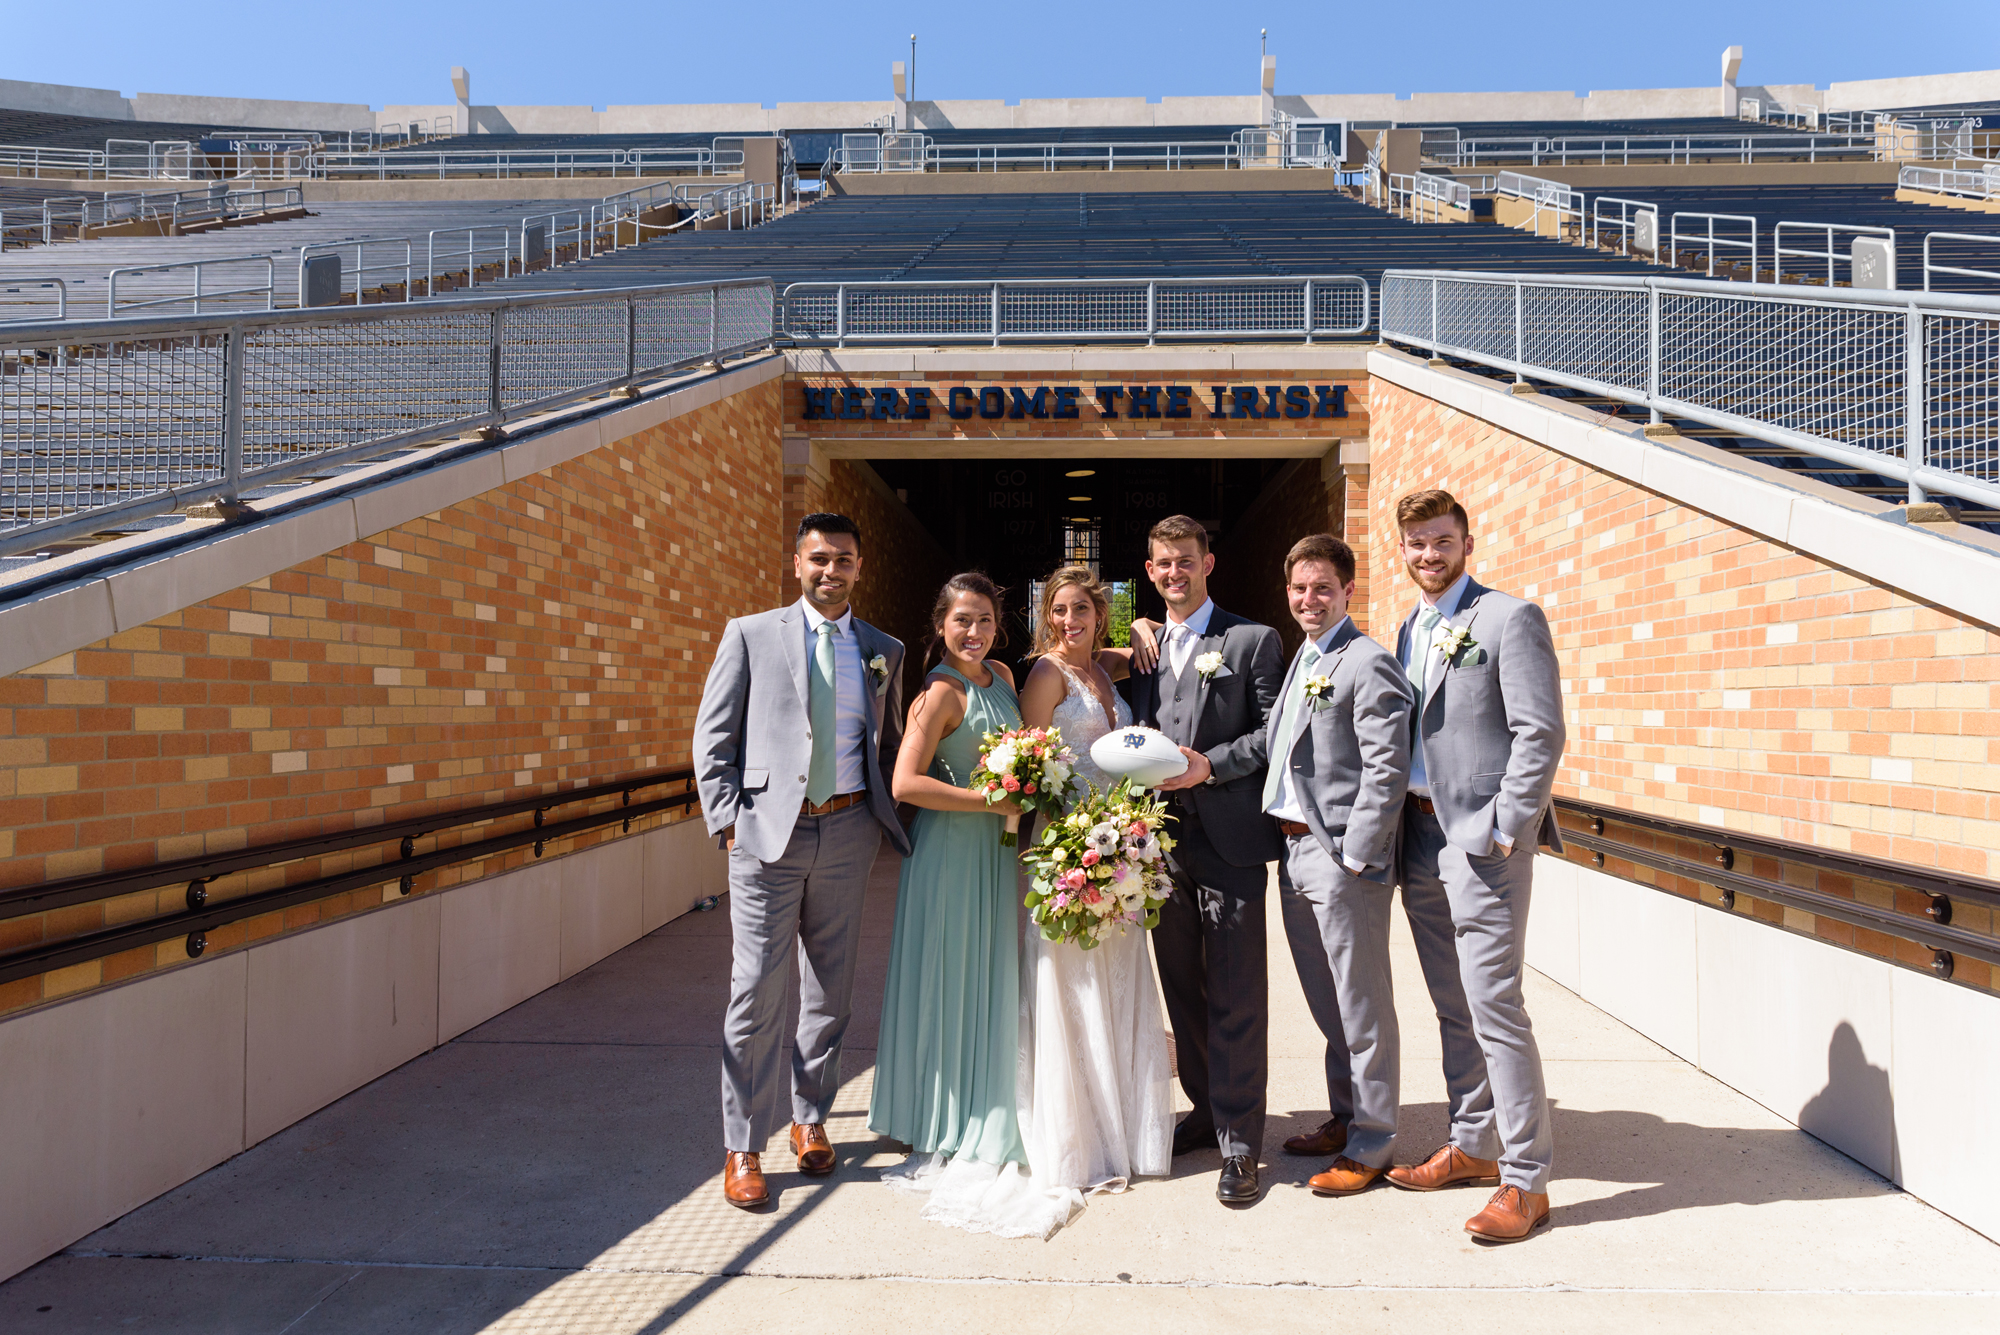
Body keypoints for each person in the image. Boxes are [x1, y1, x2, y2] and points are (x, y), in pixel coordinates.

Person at [694, 512, 911, 1211]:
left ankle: (809, 1115)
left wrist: (878, 820)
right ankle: (743, 1144)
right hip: (767, 838)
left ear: (859, 566)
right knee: (755, 991)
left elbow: (888, 742)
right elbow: (713, 735)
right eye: (818, 558)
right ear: (796, 563)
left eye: (843, 559)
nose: (831, 570)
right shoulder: (751, 635)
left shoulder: (884, 648)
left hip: (847, 832)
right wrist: (730, 821)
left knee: (830, 988)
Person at [1385, 488, 1566, 1244]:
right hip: (1418, 836)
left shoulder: (1508, 617)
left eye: (1440, 540)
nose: (1429, 554)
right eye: (1416, 543)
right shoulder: (1407, 628)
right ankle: (1472, 1143)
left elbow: (1541, 731)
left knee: (1495, 1004)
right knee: (1452, 1003)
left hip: (1479, 843)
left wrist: (1503, 829)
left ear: (1466, 541)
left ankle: (1526, 1180)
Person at [998, 565, 1176, 1235]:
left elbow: (1150, 646)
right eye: (1059, 610)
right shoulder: (1046, 676)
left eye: (1081, 610)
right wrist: (1046, 857)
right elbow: (1031, 769)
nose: (1069, 620)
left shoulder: (1105, 669)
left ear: (1099, 615)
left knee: (1119, 981)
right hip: (1066, 848)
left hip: (1119, 844)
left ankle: (1125, 1130)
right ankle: (1078, 1141)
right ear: (1048, 615)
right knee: (1071, 989)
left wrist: (1142, 624)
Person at [1126, 515, 1285, 1206]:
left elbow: (1274, 734)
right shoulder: (1145, 648)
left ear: (1208, 562)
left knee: (1237, 992)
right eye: (1162, 563)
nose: (1173, 572)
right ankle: (1206, 1108)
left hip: (1231, 842)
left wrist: (1207, 767)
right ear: (1151, 569)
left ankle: (1243, 1142)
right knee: (1183, 989)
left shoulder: (1251, 640)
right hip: (1160, 848)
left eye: (1184, 560)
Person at [868, 573, 1033, 1225]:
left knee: (985, 979)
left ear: (999, 627)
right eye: (962, 620)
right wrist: (988, 799)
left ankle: (975, 1101)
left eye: (985, 620)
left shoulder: (1003, 676)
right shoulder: (940, 689)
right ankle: (930, 1116)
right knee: (946, 977)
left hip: (992, 857)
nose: (974, 632)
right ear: (940, 624)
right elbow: (905, 783)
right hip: (947, 854)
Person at [1260, 535, 1415, 1198]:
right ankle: (1346, 1114)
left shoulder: (1366, 660)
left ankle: (1372, 1142)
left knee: (1362, 1002)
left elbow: (1387, 767)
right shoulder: (1305, 657)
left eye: (1322, 587)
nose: (1308, 599)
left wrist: (1355, 852)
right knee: (1328, 1001)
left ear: (1348, 588)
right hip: (1292, 853)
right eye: (1299, 588)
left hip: (1338, 858)